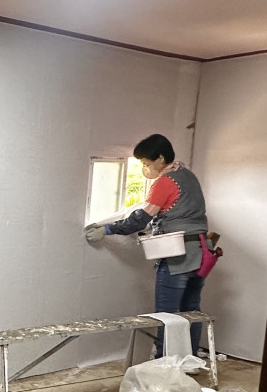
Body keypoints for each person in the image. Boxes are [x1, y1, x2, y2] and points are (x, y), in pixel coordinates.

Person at [85, 134, 210, 357]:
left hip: (177, 256)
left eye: (146, 163)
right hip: (201, 254)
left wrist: (107, 229)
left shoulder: (165, 182)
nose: (145, 168)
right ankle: (189, 361)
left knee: (167, 315)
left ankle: (164, 363)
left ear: (160, 158)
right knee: (192, 311)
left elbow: (140, 219)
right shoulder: (188, 175)